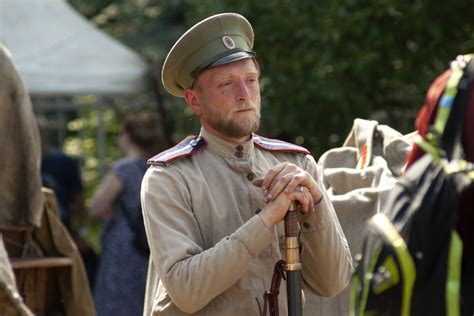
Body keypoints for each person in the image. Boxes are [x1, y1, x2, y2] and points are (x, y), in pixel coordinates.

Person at [141, 13, 352, 315]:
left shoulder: (297, 163)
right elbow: (186, 291)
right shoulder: (169, 177)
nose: (244, 95)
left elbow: (332, 283)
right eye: (227, 84)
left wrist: (315, 201)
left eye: (250, 80)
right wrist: (266, 221)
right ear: (194, 101)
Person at [92, 111, 162, 316]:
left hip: (123, 249)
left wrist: (109, 212)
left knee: (117, 303)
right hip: (150, 245)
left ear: (128, 136)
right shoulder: (156, 165)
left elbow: (96, 206)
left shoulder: (124, 168)